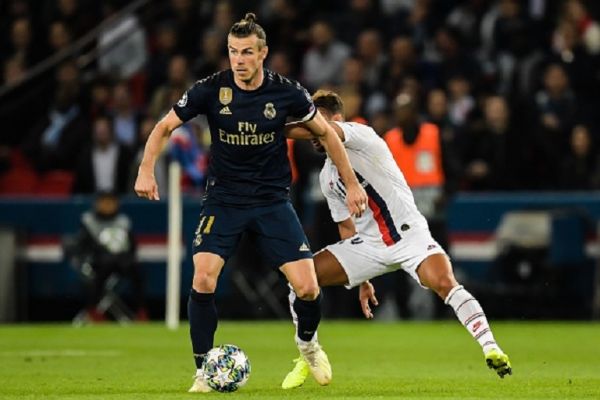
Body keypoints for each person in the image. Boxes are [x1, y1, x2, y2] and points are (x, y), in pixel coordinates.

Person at [133, 13, 368, 393]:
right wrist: (146, 170)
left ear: (263, 54)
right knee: (203, 277)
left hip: (272, 201)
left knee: (308, 288)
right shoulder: (211, 89)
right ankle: (202, 371)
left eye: (246, 52)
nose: (238, 60)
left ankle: (308, 346)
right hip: (224, 200)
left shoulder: (286, 92)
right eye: (232, 52)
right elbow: (163, 127)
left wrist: (352, 183)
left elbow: (326, 134)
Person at [282, 90, 512, 389]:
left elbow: (321, 130)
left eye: (317, 122)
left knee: (445, 283)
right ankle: (308, 352)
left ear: (337, 120)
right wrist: (361, 279)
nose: (312, 132)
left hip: (409, 235)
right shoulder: (328, 176)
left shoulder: (360, 135)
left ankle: (491, 347)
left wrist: (265, 124)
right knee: (300, 280)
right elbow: (346, 229)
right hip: (367, 246)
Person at [66, 192, 147, 321]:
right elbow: (83, 246)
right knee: (98, 274)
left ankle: (141, 310)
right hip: (99, 261)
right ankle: (93, 310)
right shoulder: (89, 221)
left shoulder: (123, 221)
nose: (108, 206)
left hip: (122, 260)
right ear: (97, 204)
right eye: (104, 202)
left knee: (137, 270)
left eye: (111, 202)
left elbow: (132, 246)